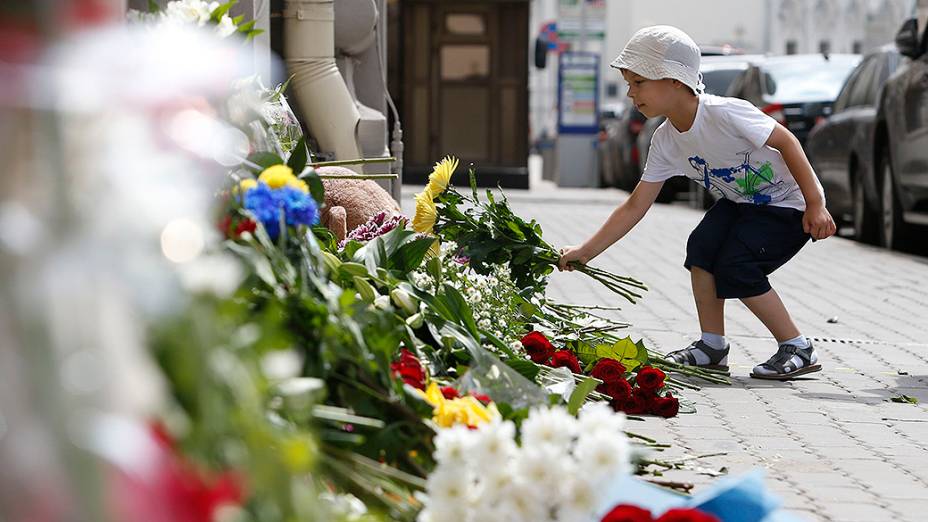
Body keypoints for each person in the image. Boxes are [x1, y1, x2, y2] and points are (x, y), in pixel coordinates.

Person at [558, 25, 836, 380]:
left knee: (736, 266)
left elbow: (787, 143)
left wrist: (815, 203)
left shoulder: (724, 113)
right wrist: (587, 249)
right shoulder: (665, 141)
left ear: (675, 79)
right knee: (702, 248)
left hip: (788, 205)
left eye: (639, 82)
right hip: (742, 203)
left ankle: (796, 345)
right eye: (629, 84)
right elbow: (634, 206)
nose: (630, 93)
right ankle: (711, 346)